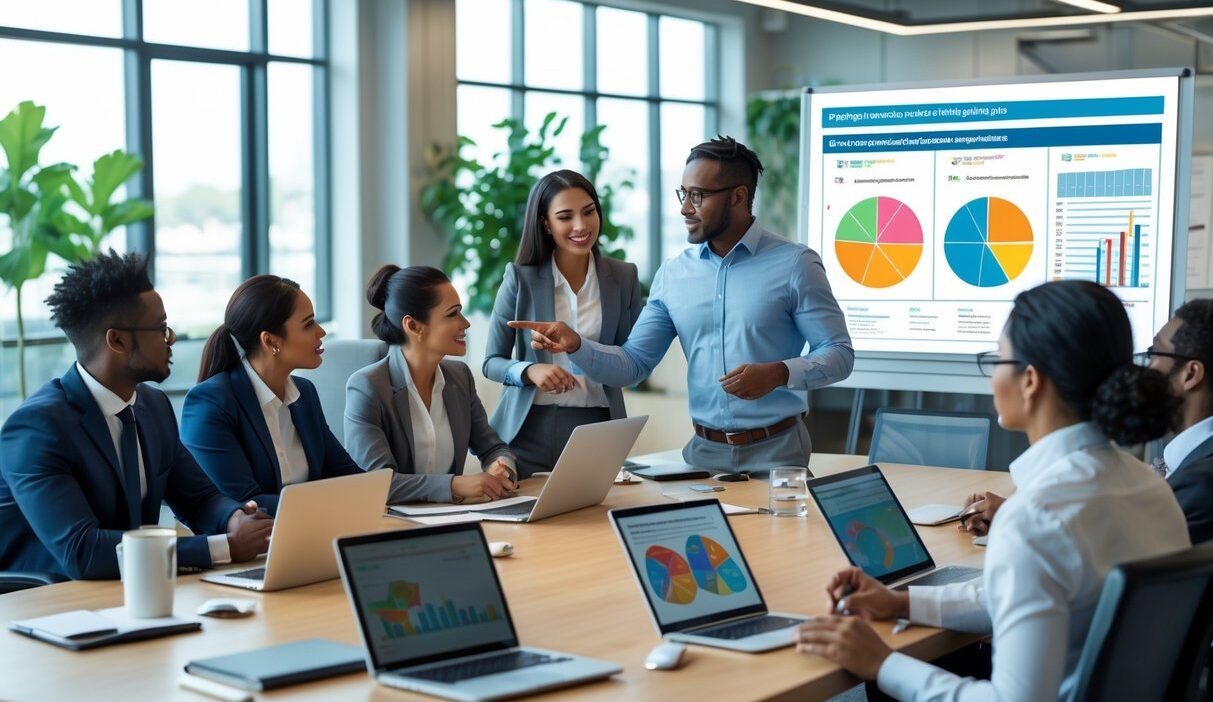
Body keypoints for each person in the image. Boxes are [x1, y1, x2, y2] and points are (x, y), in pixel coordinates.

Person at [795, 280, 1189, 701]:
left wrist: (882, 662)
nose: (994, 375)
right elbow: (1027, 594)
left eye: (998, 359)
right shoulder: (1150, 486)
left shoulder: (1036, 517)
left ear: (1031, 380)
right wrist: (902, 603)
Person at [510, 136, 854, 472]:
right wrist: (576, 345)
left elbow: (839, 353)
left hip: (779, 453)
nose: (685, 208)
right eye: (684, 193)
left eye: (698, 196)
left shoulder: (795, 264)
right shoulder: (674, 274)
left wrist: (779, 373)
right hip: (703, 455)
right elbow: (633, 364)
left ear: (738, 197)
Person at [0, 252, 272, 580]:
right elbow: (81, 551)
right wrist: (223, 547)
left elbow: (199, 499)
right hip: (46, 602)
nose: (171, 339)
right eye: (160, 329)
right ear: (117, 340)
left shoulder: (152, 407)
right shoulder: (37, 428)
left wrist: (234, 519)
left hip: (129, 588)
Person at [960, 298, 1213, 544]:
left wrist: (1025, 521)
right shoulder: (1154, 478)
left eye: (1154, 354)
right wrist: (1017, 515)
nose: (1145, 369)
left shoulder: (1199, 486)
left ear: (1190, 374)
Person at [483, 170, 643, 478]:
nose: (581, 226)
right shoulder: (520, 279)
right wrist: (530, 370)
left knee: (591, 524)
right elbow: (491, 362)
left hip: (597, 429)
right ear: (546, 223)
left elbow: (633, 364)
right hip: (525, 431)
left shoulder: (624, 278)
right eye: (565, 216)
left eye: (588, 211)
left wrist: (585, 350)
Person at [181, 275, 364, 517]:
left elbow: (347, 475)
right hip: (246, 548)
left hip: (310, 533)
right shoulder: (210, 403)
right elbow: (246, 502)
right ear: (270, 341)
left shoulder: (304, 394)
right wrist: (329, 502)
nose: (321, 332)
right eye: (308, 324)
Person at [345, 265, 517, 503]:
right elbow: (377, 483)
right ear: (414, 326)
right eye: (452, 314)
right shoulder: (367, 387)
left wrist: (501, 468)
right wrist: (455, 485)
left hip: (453, 517)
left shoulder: (460, 376)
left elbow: (493, 448)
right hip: (393, 526)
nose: (465, 323)